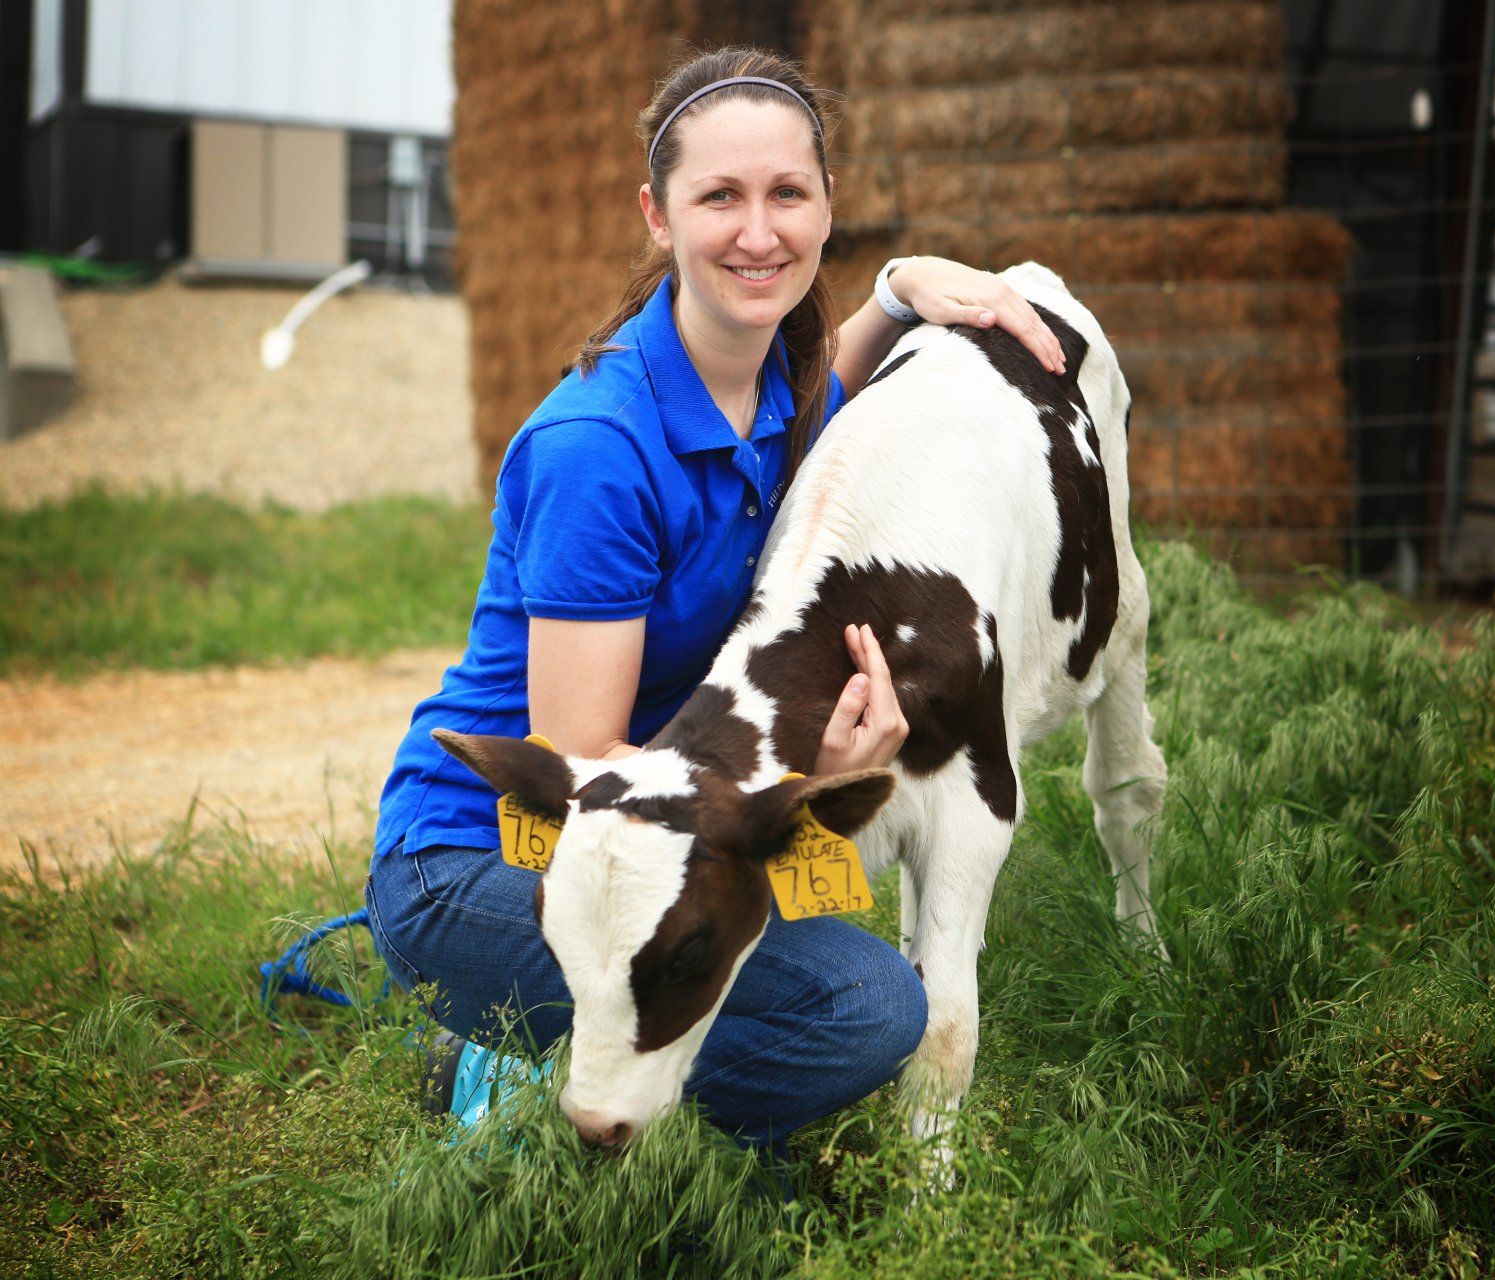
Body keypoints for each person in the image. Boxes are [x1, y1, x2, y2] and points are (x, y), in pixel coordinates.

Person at [362, 46, 1067, 1152]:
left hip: (643, 828)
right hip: (500, 850)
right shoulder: (599, 447)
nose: (758, 231)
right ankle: (521, 1084)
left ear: (830, 205)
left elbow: (817, 389)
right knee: (866, 1007)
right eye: (719, 197)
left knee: (838, 974)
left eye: (789, 192)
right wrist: (815, 786)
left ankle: (548, 1034)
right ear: (658, 214)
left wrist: (898, 289)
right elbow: (593, 773)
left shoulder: (769, 394)